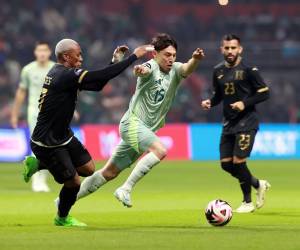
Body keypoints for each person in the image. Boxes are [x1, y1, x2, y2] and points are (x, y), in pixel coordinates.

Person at [24, 38, 153, 226]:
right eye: (78, 54)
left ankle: (39, 164)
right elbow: (97, 77)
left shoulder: (65, 73)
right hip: (47, 142)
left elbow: (97, 84)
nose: (81, 58)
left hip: (63, 135)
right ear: (66, 56)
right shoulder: (64, 75)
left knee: (89, 169)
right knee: (74, 183)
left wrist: (115, 61)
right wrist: (134, 56)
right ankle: (61, 218)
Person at [74, 33, 205, 207]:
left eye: (173, 55)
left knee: (109, 172)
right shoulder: (150, 66)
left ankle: (65, 201)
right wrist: (140, 71)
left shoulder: (175, 69)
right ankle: (125, 189)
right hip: (132, 124)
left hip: (144, 130)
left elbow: (187, 69)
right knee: (160, 150)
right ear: (155, 54)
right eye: (166, 55)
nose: (171, 59)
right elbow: (144, 70)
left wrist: (195, 59)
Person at [201, 34, 271, 213]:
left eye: (233, 48)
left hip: (247, 121)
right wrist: (210, 101)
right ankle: (257, 183)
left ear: (240, 49)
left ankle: (247, 202)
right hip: (228, 123)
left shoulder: (249, 69)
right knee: (226, 164)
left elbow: (264, 93)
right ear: (221, 50)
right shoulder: (217, 70)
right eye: (227, 48)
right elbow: (218, 95)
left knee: (239, 161)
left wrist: (244, 103)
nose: (230, 51)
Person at [11, 41, 55, 192]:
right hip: (35, 112)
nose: (42, 53)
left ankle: (42, 180)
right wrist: (15, 114)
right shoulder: (28, 70)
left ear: (49, 52)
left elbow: (65, 90)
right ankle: (37, 180)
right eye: (39, 50)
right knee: (38, 144)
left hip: (53, 113)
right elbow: (21, 92)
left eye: (45, 50)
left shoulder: (55, 68)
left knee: (51, 146)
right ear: (35, 52)